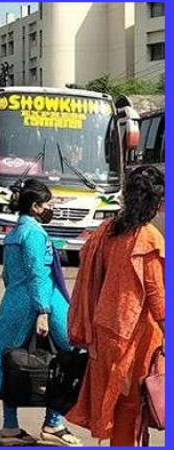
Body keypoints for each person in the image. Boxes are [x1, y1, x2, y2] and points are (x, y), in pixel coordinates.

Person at [0, 179, 83, 447]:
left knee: (9, 362)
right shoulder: (34, 233)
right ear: (35, 207)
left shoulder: (14, 233)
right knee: (75, 355)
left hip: (14, 302)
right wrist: (43, 311)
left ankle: (10, 427)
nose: (50, 208)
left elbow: (7, 275)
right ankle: (53, 423)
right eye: (47, 204)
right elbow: (37, 273)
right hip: (42, 302)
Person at [66, 165, 165, 446]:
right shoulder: (147, 238)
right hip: (133, 338)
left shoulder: (106, 230)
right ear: (158, 203)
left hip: (103, 333)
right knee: (130, 408)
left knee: (118, 405)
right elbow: (158, 299)